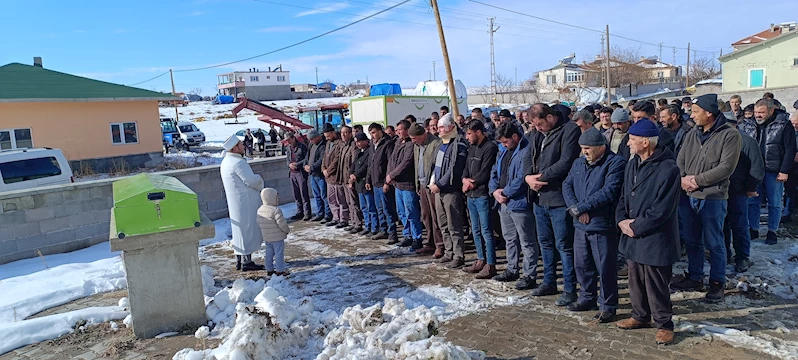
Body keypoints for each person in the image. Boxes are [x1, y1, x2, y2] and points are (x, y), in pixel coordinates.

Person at [614, 119, 681, 346]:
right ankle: (639, 315)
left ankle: (664, 324)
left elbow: (662, 209)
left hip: (655, 236)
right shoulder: (633, 162)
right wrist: (622, 220)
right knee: (635, 279)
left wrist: (636, 226)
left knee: (656, 282)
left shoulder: (668, 169)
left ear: (645, 142)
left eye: (632, 140)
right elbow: (624, 195)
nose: (629, 143)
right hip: (632, 233)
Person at [672, 94, 741, 303]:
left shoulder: (730, 135)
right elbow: (681, 158)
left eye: (695, 112)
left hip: (713, 196)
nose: (692, 116)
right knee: (692, 239)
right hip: (688, 194)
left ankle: (717, 282)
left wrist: (698, 180)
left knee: (714, 242)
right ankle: (695, 277)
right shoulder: (693, 133)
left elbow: (726, 167)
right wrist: (683, 179)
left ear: (709, 113)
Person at [562, 128, 625, 322]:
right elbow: (567, 185)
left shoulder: (615, 163)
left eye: (587, 148)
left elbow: (608, 192)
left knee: (605, 267)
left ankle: (608, 305)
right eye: (582, 148)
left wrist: (581, 208)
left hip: (601, 223)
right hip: (580, 223)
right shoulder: (579, 162)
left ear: (601, 147)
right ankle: (586, 297)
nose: (584, 152)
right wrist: (575, 208)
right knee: (582, 264)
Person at [525, 104, 581, 305]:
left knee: (564, 245)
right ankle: (549, 281)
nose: (537, 128)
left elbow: (566, 162)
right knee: (545, 243)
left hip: (558, 198)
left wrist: (541, 177)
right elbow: (528, 156)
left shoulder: (569, 130)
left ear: (550, 117)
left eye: (540, 123)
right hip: (539, 198)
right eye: (534, 125)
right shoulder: (537, 133)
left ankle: (569, 288)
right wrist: (527, 178)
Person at [738, 98, 796, 244]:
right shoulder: (747, 124)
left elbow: (790, 149)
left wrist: (784, 170)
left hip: (774, 170)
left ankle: (772, 231)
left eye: (762, 112)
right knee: (753, 200)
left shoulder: (783, 124)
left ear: (771, 111)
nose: (758, 115)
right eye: (756, 112)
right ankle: (753, 228)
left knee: (775, 202)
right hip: (754, 169)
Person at [489, 121, 538, 287]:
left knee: (526, 240)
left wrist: (506, 192)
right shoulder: (503, 151)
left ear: (515, 137)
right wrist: (494, 191)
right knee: (509, 238)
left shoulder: (525, 151)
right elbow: (494, 171)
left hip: (519, 202)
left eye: (505, 141)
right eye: (502, 142)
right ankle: (512, 268)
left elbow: (522, 177)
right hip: (503, 202)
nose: (503, 145)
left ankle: (530, 275)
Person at [724, 115, 764, 273]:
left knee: (739, 224)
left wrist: (751, 187)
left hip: (738, 191)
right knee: (722, 225)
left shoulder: (747, 142)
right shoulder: (717, 140)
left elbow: (756, 168)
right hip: (719, 190)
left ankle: (742, 256)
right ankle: (725, 252)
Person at [221, 134, 265, 271]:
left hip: (236, 203)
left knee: (239, 231)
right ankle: (247, 262)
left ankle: (240, 260)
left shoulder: (226, 161)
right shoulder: (238, 163)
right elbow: (251, 180)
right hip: (245, 203)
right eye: (240, 145)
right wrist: (260, 179)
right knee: (247, 230)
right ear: (235, 148)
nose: (243, 146)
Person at [462, 120, 499, 279]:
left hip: (482, 194)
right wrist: (464, 179)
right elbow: (466, 167)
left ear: (478, 132)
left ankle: (490, 264)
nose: (467, 137)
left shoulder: (490, 147)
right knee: (475, 230)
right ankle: (480, 259)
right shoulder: (471, 147)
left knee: (486, 230)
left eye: (469, 133)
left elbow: (486, 171)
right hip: (471, 195)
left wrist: (472, 183)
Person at [430, 114, 468, 268]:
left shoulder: (458, 145)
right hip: (438, 190)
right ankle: (448, 252)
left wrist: (440, 184)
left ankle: (459, 256)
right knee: (443, 223)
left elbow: (454, 169)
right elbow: (436, 166)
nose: (438, 130)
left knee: (454, 224)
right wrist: (433, 181)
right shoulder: (441, 144)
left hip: (450, 191)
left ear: (451, 127)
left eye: (441, 127)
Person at [387, 119, 423, 248]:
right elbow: (392, 160)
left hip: (408, 184)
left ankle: (417, 238)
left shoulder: (411, 145)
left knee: (411, 212)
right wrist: (389, 174)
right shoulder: (398, 142)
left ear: (407, 130)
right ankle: (407, 235)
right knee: (401, 212)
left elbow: (406, 163)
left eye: (400, 130)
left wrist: (392, 175)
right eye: (396, 130)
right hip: (398, 184)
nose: (397, 132)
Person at [411, 123, 444, 256]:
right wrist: (417, 184)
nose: (412, 141)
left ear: (422, 135)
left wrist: (433, 183)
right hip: (422, 184)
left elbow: (438, 165)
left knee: (436, 216)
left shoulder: (436, 143)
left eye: (414, 138)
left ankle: (440, 245)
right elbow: (416, 165)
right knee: (426, 216)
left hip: (432, 185)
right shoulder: (417, 146)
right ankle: (430, 243)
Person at [368, 123, 399, 242]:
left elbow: (390, 164)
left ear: (381, 131)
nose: (372, 135)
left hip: (384, 182)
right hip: (375, 182)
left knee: (387, 209)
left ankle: (392, 233)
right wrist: (369, 179)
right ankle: (383, 230)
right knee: (379, 208)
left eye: (374, 132)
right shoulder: (372, 145)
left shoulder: (387, 144)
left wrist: (387, 182)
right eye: (371, 133)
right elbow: (371, 164)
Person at [256, 188, 291, 276]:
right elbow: (282, 224)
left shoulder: (260, 210)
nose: (277, 199)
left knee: (269, 254)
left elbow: (258, 221)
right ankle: (279, 270)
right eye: (276, 197)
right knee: (279, 254)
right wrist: (287, 231)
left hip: (267, 237)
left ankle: (269, 269)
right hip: (278, 238)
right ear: (270, 197)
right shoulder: (275, 210)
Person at [322, 123, 349, 228]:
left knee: (340, 199)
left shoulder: (339, 143)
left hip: (336, 176)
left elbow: (336, 160)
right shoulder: (328, 143)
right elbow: (325, 157)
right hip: (328, 177)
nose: (327, 138)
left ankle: (343, 219)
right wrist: (323, 168)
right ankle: (335, 217)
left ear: (333, 133)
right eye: (326, 137)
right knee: (332, 199)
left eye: (328, 136)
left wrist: (329, 170)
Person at [351, 132, 377, 236]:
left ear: (365, 141)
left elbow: (366, 166)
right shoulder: (358, 152)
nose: (358, 144)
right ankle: (367, 225)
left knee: (371, 207)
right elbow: (353, 165)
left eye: (360, 141)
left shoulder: (369, 151)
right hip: (358, 184)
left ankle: (374, 227)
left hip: (365, 182)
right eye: (357, 142)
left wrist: (356, 175)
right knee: (364, 207)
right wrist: (351, 173)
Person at [338, 126, 362, 234]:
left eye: (346, 132)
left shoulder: (353, 146)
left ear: (350, 134)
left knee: (353, 202)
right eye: (342, 132)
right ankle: (353, 222)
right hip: (343, 179)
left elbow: (353, 163)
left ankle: (358, 223)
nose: (343, 135)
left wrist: (351, 179)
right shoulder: (343, 146)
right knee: (348, 201)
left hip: (350, 179)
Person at [305, 130, 330, 222]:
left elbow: (321, 160)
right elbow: (307, 157)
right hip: (312, 175)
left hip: (320, 175)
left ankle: (327, 214)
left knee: (324, 195)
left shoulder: (323, 145)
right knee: (317, 196)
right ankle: (320, 213)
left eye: (312, 139)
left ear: (317, 137)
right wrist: (306, 165)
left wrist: (311, 167)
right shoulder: (311, 145)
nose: (311, 141)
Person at [285, 133, 312, 220]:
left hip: (300, 172)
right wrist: (289, 165)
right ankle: (300, 212)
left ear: (293, 138)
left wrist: (297, 164)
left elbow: (307, 159)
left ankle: (307, 213)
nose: (288, 142)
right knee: (296, 194)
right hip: (292, 173)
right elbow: (287, 159)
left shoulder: (302, 147)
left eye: (289, 140)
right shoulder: (288, 148)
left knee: (304, 193)